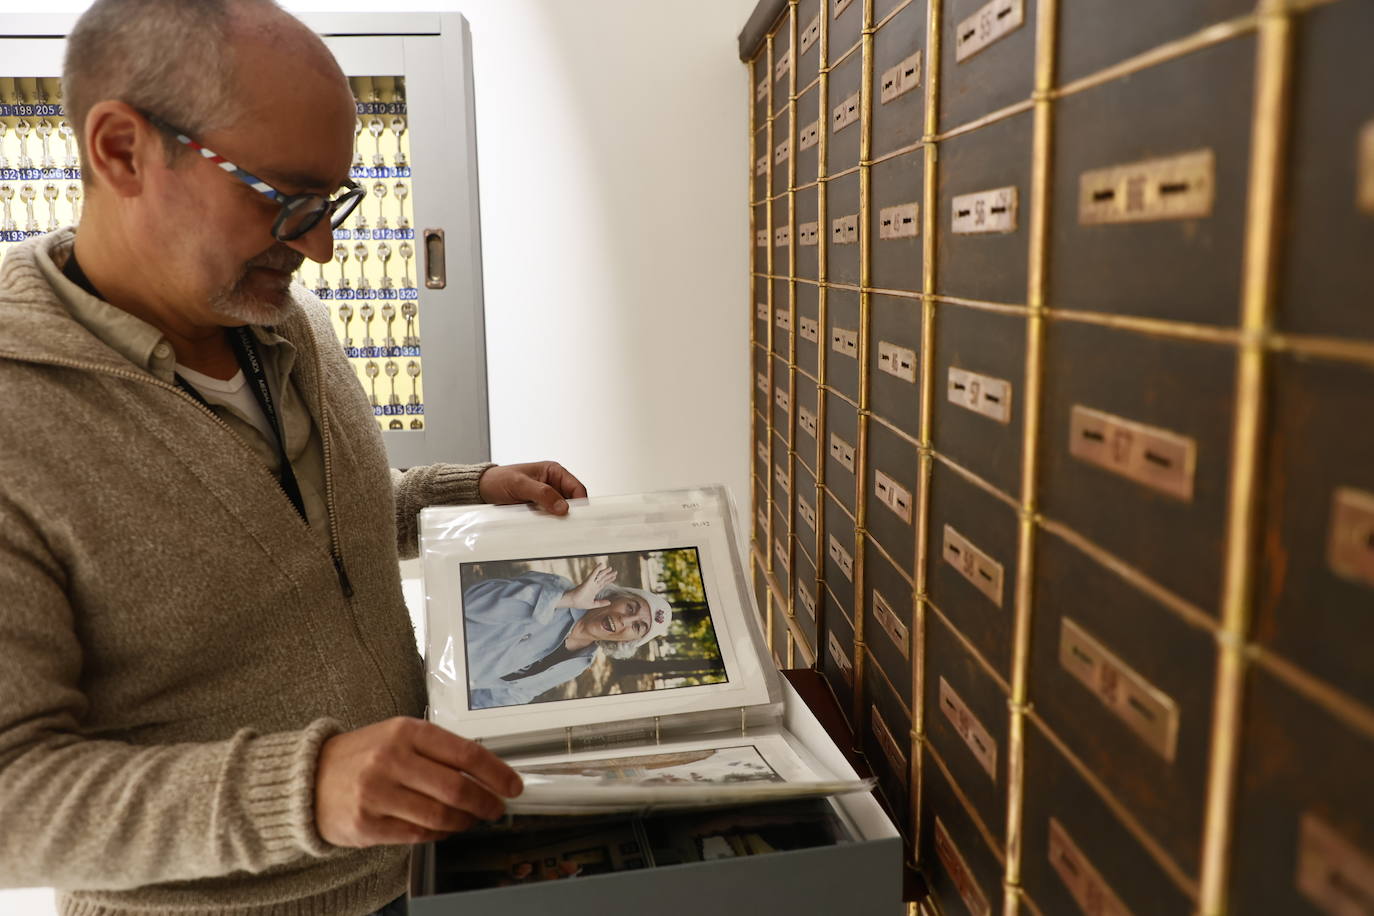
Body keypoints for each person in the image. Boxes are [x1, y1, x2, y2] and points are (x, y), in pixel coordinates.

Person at [0, 1, 586, 914]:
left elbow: (300, 527)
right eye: (285, 199)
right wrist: (303, 791)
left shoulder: (281, 321)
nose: (320, 246)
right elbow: (13, 799)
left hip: (416, 871)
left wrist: (459, 492)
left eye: (332, 203)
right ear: (121, 150)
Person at [463, 563, 674, 709]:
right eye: (630, 607)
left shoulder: (581, 662)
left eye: (637, 627)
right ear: (616, 596)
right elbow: (471, 604)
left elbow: (515, 693)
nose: (624, 620)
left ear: (629, 641)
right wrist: (564, 600)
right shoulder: (558, 589)